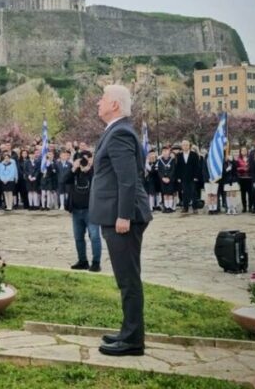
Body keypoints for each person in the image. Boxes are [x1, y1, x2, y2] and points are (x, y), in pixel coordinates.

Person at [89, 85, 152, 357]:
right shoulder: (117, 131)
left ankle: (132, 341)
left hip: (123, 218)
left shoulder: (120, 133)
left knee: (128, 280)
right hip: (117, 215)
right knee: (126, 278)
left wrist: (123, 215)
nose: (98, 103)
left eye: (102, 99)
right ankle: (129, 332)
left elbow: (128, 178)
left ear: (114, 105)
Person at [66, 148, 101, 272]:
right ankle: (82, 261)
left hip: (91, 210)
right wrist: (74, 168)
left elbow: (100, 183)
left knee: (95, 236)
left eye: (87, 159)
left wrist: (89, 169)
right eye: (82, 160)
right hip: (76, 211)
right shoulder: (74, 173)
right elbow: (63, 180)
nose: (85, 162)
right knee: (78, 237)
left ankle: (96, 263)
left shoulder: (95, 172)